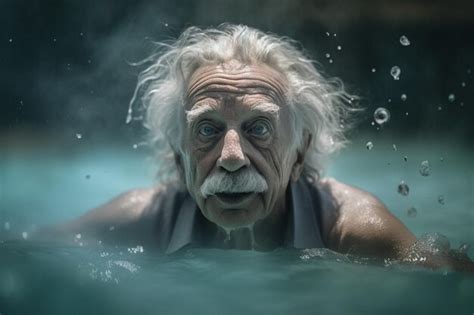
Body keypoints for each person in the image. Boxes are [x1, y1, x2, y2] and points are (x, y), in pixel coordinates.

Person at [46, 24, 472, 270]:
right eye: (207, 130)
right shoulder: (143, 219)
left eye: (259, 128)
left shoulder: (352, 229)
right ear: (178, 153)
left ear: (300, 150)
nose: (231, 157)